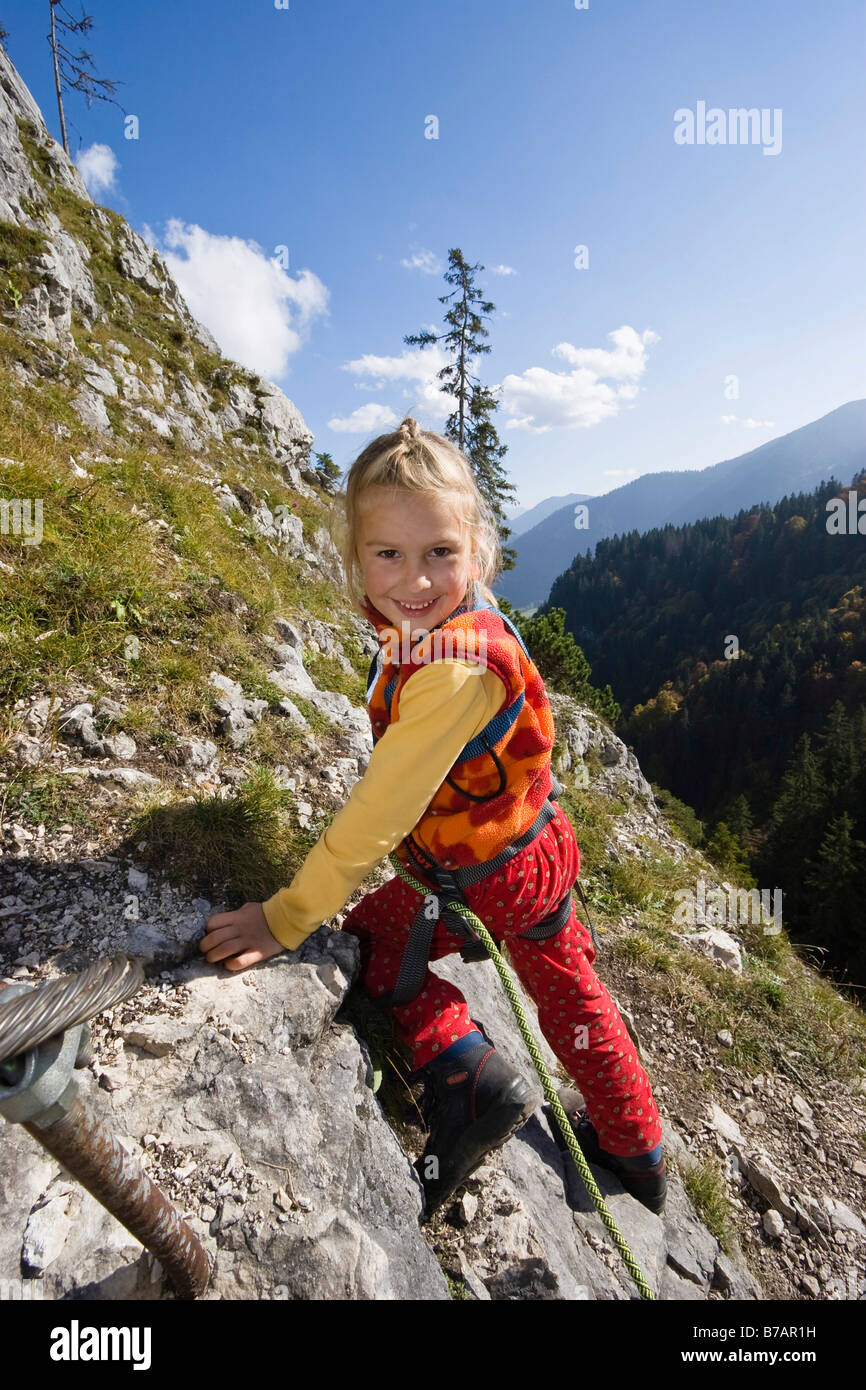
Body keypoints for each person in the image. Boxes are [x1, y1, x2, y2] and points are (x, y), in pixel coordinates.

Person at [198, 416, 667, 1218]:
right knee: (569, 985)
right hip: (537, 844)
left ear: (476, 550)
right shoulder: (466, 623)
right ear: (357, 558)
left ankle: (471, 1076)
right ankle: (636, 1148)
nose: (414, 579)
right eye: (389, 554)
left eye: (439, 554)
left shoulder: (450, 669)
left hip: (482, 873)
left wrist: (286, 918)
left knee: (376, 949)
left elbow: (379, 814)